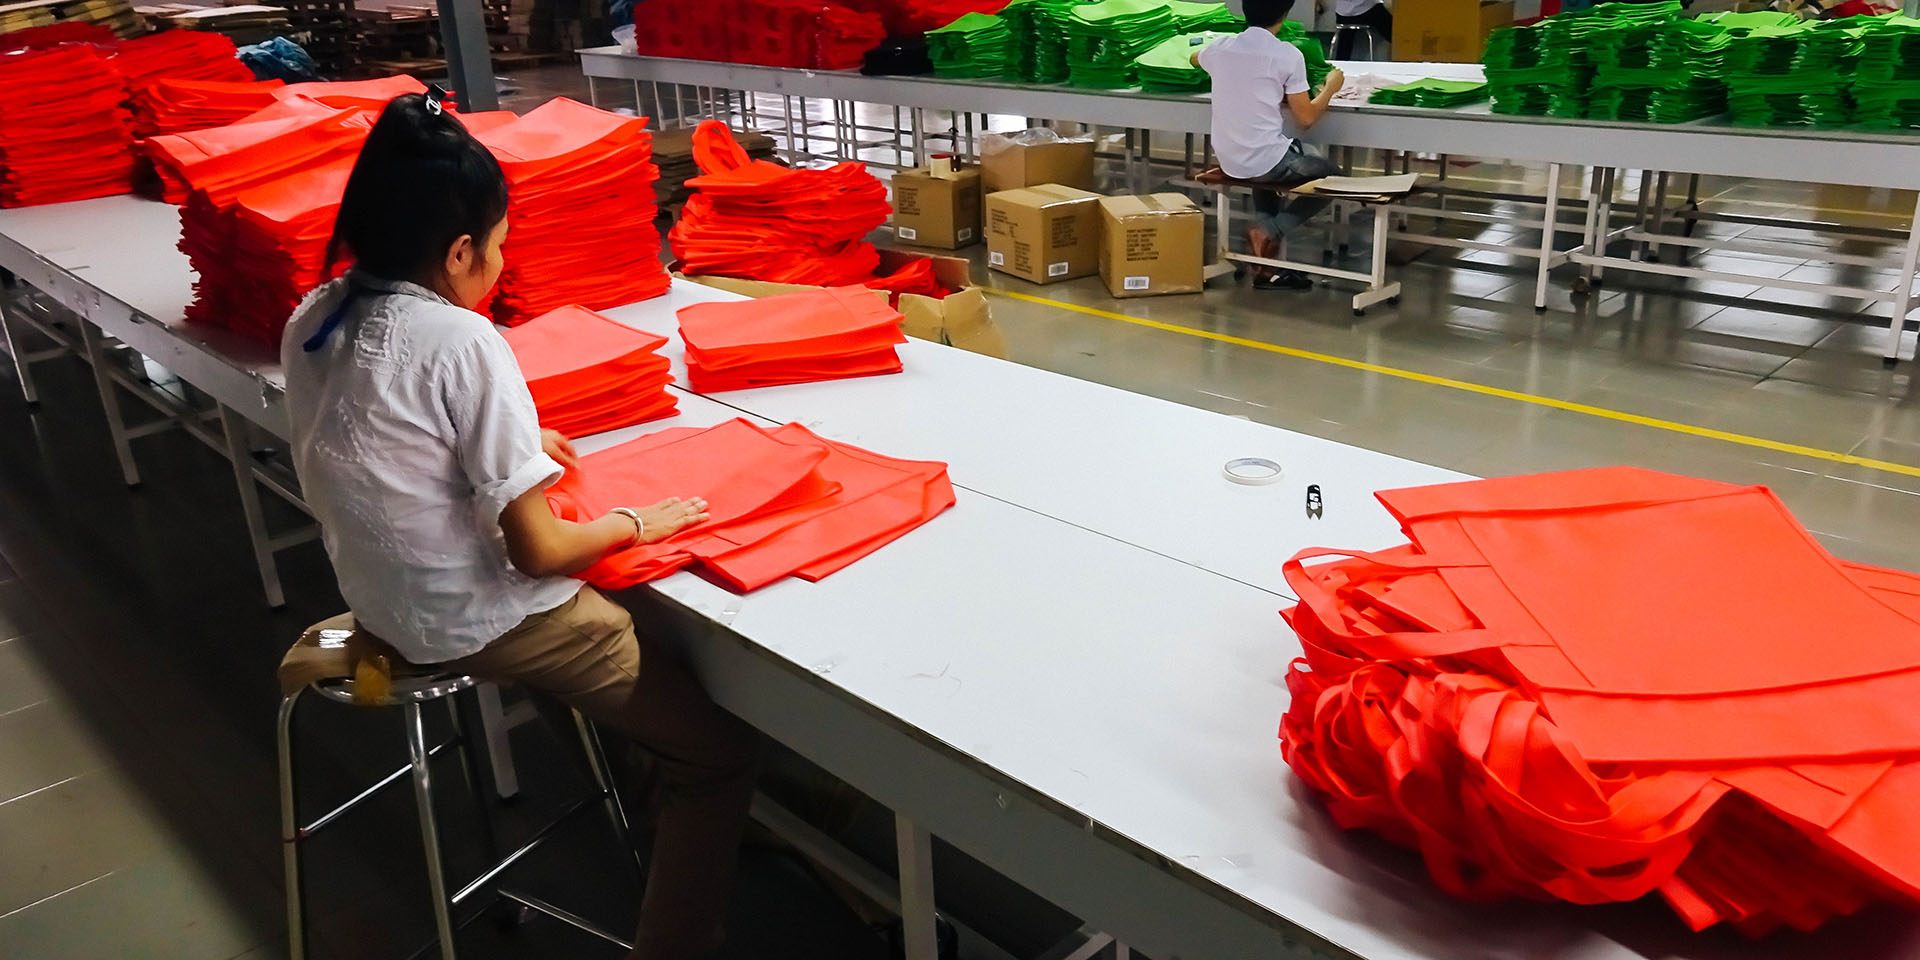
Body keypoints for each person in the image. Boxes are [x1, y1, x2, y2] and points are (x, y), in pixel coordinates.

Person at [281, 92, 758, 960]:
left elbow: (383, 438)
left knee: (632, 678)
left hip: (382, 605)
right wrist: (634, 521)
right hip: (473, 621)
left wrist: (514, 444)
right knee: (717, 752)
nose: (502, 264)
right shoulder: (462, 341)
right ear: (459, 251)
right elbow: (539, 551)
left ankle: (644, 809)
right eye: (499, 245)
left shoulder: (317, 317)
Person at [1195, 0, 1345, 290]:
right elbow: (1305, 118)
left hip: (1230, 158)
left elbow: (1194, 58)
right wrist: (1330, 87)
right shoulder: (1286, 54)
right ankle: (1269, 229)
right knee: (1334, 177)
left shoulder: (1220, 48)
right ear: (1286, 14)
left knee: (1269, 157)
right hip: (1265, 161)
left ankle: (1265, 268)